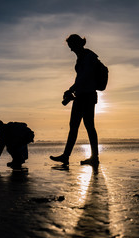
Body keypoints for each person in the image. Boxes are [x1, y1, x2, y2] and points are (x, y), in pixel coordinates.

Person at [50, 34, 100, 166]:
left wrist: (71, 89)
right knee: (75, 127)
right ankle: (67, 156)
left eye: (71, 46)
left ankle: (94, 158)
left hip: (87, 96)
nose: (71, 50)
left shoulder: (88, 57)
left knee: (88, 127)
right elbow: (80, 78)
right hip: (82, 95)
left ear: (78, 44)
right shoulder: (82, 57)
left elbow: (84, 77)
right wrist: (73, 90)